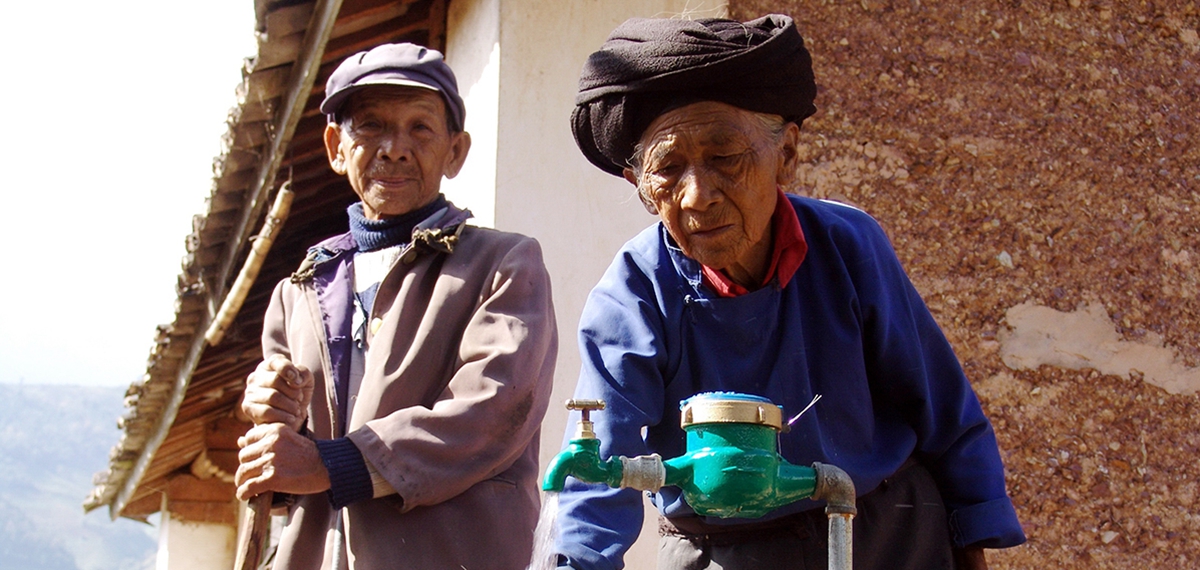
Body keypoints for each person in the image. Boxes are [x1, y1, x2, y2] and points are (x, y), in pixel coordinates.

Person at [552, 14, 1025, 570]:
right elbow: (599, 467)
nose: (698, 195)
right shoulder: (632, 293)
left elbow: (941, 406)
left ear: (787, 154)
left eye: (725, 158)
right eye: (669, 169)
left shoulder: (849, 246)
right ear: (642, 189)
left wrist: (971, 536)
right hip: (723, 549)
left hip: (889, 529)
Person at [233, 42, 558, 570]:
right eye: (371, 127)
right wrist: (276, 422)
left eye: (420, 129)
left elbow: (493, 410)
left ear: (455, 151)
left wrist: (332, 463)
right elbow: (287, 470)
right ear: (337, 147)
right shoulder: (298, 290)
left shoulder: (503, 263)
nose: (395, 148)